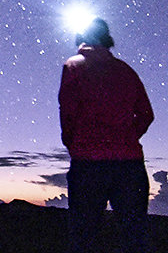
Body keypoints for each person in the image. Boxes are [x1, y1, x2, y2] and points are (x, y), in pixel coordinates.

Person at [58, 17, 154, 253]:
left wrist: (75, 144)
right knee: (134, 238)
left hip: (88, 164)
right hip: (130, 165)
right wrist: (127, 137)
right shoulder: (126, 71)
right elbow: (146, 114)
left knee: (83, 238)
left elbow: (67, 113)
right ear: (107, 39)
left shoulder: (73, 66)